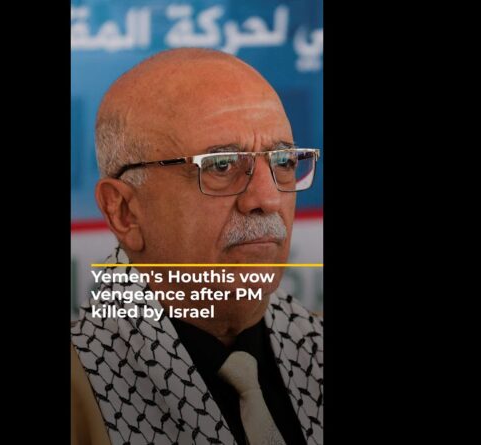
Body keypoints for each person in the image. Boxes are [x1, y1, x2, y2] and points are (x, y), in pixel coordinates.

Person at [71, 48, 323, 445]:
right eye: (221, 165)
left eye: (283, 162)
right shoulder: (80, 385)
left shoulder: (315, 344)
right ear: (124, 212)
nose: (268, 198)